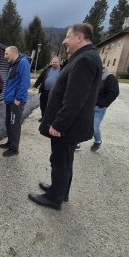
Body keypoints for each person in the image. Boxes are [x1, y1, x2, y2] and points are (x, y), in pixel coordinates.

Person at [28, 23, 102, 210]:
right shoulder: (84, 57)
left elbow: (74, 99)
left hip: (67, 127)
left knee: (59, 161)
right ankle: (61, 191)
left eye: (68, 37)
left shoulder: (84, 60)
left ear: (79, 38)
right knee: (66, 160)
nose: (64, 41)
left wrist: (59, 124)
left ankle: (54, 199)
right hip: (72, 126)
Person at [0, 46, 31, 157]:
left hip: (16, 101)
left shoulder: (23, 63)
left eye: (6, 53)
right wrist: (5, 98)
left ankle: (14, 148)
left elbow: (25, 82)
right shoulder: (14, 64)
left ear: (13, 52)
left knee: (14, 124)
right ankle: (10, 142)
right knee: (8, 123)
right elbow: (10, 84)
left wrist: (18, 98)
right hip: (10, 100)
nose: (5, 56)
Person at [90, 67, 119, 151]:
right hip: (88, 106)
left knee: (94, 127)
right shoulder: (92, 75)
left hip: (99, 108)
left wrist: (102, 103)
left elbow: (114, 92)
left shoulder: (109, 77)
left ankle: (97, 141)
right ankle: (77, 143)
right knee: (81, 124)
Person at [33, 57, 62, 122]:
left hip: (55, 92)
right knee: (43, 105)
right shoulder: (47, 69)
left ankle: (51, 119)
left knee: (53, 106)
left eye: (55, 62)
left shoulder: (62, 70)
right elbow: (40, 78)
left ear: (59, 63)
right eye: (53, 62)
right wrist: (35, 86)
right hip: (45, 90)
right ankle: (43, 117)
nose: (53, 63)